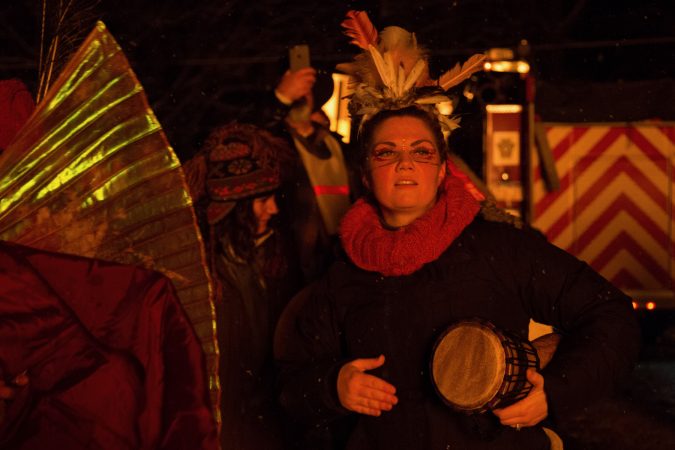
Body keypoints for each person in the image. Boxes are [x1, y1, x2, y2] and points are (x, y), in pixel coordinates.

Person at [274, 11, 640, 450]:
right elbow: (290, 383)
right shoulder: (344, 273)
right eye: (386, 152)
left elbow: (612, 315)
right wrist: (333, 386)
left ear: (444, 170)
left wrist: (554, 392)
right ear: (366, 176)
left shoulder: (501, 250)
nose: (404, 162)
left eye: (421, 152)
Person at [183, 121, 301, 450]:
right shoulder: (198, 277)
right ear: (230, 209)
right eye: (261, 199)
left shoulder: (275, 259)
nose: (273, 209)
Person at [267, 62, 356, 283]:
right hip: (293, 261)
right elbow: (257, 134)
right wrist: (281, 99)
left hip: (338, 260)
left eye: (305, 91)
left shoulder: (338, 147)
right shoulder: (273, 145)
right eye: (295, 91)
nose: (299, 98)